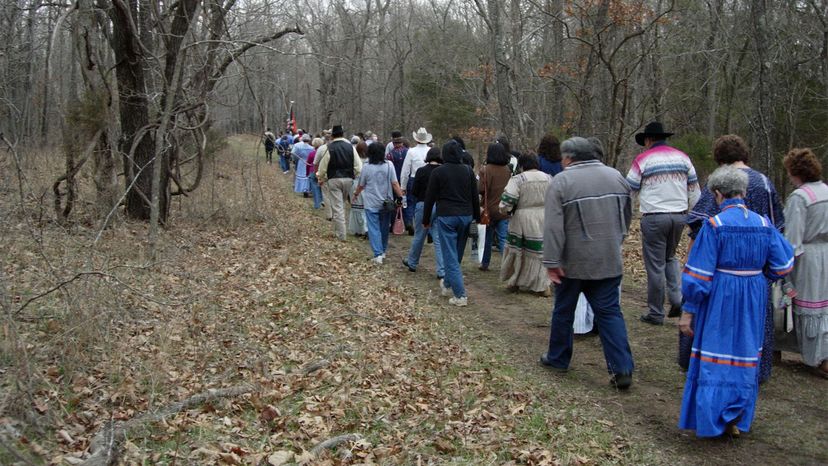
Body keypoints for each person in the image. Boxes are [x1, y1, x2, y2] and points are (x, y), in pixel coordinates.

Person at [678, 166, 793, 438]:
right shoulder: (764, 224)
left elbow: (699, 274)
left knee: (716, 353)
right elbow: (785, 263)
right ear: (742, 193)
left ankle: (712, 419)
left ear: (718, 194)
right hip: (753, 295)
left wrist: (688, 310)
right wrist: (759, 276)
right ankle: (735, 417)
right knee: (744, 352)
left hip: (720, 295)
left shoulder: (715, 225)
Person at [681, 135, 785, 382]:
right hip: (755, 275)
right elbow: (778, 229)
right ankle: (752, 371)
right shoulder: (765, 183)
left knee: (718, 325)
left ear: (719, 158)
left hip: (720, 273)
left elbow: (699, 226)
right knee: (751, 327)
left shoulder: (717, 183)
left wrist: (689, 264)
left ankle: (710, 371)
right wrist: (767, 273)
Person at [541, 137, 635, 389]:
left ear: (569, 157)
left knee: (563, 310)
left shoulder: (562, 181)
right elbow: (627, 215)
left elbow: (552, 226)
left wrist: (551, 260)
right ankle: (622, 367)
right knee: (610, 313)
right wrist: (617, 241)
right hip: (608, 258)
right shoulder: (616, 176)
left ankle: (558, 358)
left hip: (572, 262)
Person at [626, 121, 700, 325]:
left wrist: (625, 215)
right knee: (669, 258)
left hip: (654, 217)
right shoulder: (683, 158)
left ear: (649, 140)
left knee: (655, 265)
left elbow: (629, 190)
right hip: (679, 216)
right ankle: (676, 299)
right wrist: (695, 219)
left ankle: (656, 312)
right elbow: (694, 191)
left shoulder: (643, 159)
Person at [782, 148, 828, 378]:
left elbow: (793, 239)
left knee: (808, 307)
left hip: (808, 259)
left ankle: (816, 357)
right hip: (825, 254)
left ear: (795, 171)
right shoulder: (826, 191)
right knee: (823, 308)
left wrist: (785, 267)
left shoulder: (800, 198)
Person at [423, 140, 480, 307]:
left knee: (450, 255)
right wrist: (476, 217)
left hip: (447, 216)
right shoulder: (468, 171)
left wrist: (426, 220)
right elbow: (474, 196)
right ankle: (447, 283)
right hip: (466, 216)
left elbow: (430, 198)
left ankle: (460, 295)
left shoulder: (439, 172)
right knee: (456, 254)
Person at [499, 153, 552, 295]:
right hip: (544, 216)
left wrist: (505, 210)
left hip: (523, 217)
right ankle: (542, 285)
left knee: (518, 250)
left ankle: (515, 281)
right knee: (538, 252)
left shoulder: (518, 179)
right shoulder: (548, 178)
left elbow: (507, 201)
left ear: (522, 166)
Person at [353, 142, 404, 264]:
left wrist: (355, 194)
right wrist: (400, 197)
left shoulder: (366, 166)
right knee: (384, 228)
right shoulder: (389, 165)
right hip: (386, 202)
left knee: (373, 228)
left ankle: (378, 253)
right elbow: (395, 183)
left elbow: (361, 184)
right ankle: (383, 250)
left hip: (371, 202)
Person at [403, 148, 445, 278]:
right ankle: (441, 270)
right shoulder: (443, 172)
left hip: (423, 204)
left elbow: (414, 191)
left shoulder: (421, 171)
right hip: (439, 206)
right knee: (438, 238)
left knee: (419, 235)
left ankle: (412, 262)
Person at [316, 125, 363, 240]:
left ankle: (341, 235)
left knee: (337, 208)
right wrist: (354, 176)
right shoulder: (350, 147)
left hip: (334, 180)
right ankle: (340, 231)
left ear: (332, 135)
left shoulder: (330, 147)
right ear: (343, 134)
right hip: (348, 179)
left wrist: (320, 177)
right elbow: (358, 166)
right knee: (341, 204)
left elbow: (323, 166)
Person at [478, 143, 512, 272]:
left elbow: (480, 189)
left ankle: (485, 263)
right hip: (504, 209)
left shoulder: (485, 170)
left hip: (489, 210)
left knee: (487, 238)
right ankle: (507, 266)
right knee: (503, 238)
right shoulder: (507, 170)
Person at [401, 129, 432, 233]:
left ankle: (410, 222)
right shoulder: (430, 151)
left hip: (414, 178)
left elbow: (405, 170)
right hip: (429, 179)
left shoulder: (411, 151)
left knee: (411, 202)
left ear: (417, 139)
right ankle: (427, 224)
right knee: (427, 202)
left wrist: (403, 186)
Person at [348, 141, 369, 237]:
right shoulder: (370, 161)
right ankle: (366, 228)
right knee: (365, 208)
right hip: (367, 185)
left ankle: (359, 229)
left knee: (356, 208)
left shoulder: (354, 160)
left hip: (356, 183)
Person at [307, 138, 324, 209]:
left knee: (315, 189)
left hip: (313, 171)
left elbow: (308, 163)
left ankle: (317, 205)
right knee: (322, 188)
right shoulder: (324, 153)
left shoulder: (312, 153)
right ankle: (323, 201)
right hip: (322, 171)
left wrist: (307, 173)